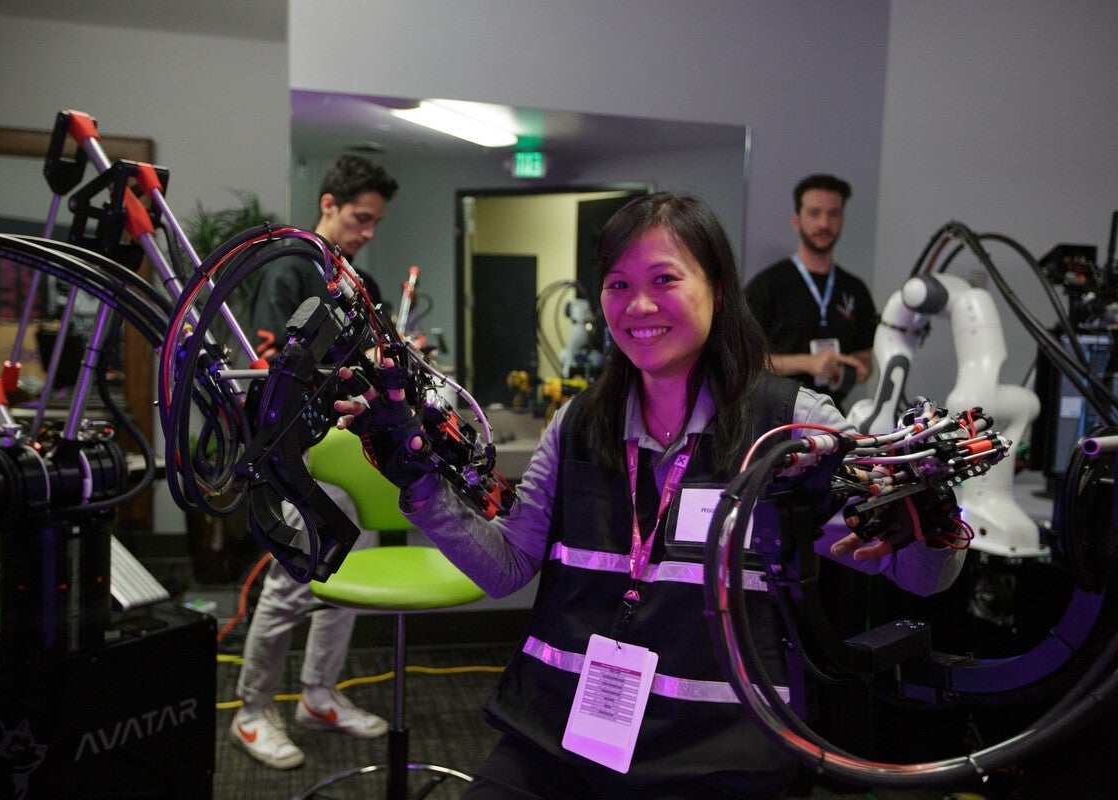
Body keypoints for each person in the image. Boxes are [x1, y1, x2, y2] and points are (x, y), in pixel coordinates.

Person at [335, 192, 964, 798]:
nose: (638, 305)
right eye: (617, 284)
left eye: (665, 280)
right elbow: (507, 569)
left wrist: (932, 517)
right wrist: (418, 483)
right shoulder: (578, 424)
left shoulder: (792, 426)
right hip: (560, 738)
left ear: (718, 289)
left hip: (719, 754)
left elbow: (921, 575)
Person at [228, 154, 399, 769]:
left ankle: (319, 696)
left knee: (348, 584)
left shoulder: (360, 284)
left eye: (376, 221)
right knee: (290, 586)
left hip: (355, 456)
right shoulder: (289, 269)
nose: (369, 231)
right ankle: (251, 711)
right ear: (328, 203)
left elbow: (379, 361)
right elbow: (273, 365)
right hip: (299, 453)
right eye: (361, 217)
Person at [745, 174, 877, 412]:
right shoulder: (766, 286)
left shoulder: (855, 290)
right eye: (815, 213)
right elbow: (746, 361)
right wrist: (809, 363)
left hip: (832, 417)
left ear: (842, 220)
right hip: (773, 417)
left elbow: (865, 361)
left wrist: (847, 370)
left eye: (833, 213)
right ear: (796, 220)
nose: (824, 224)